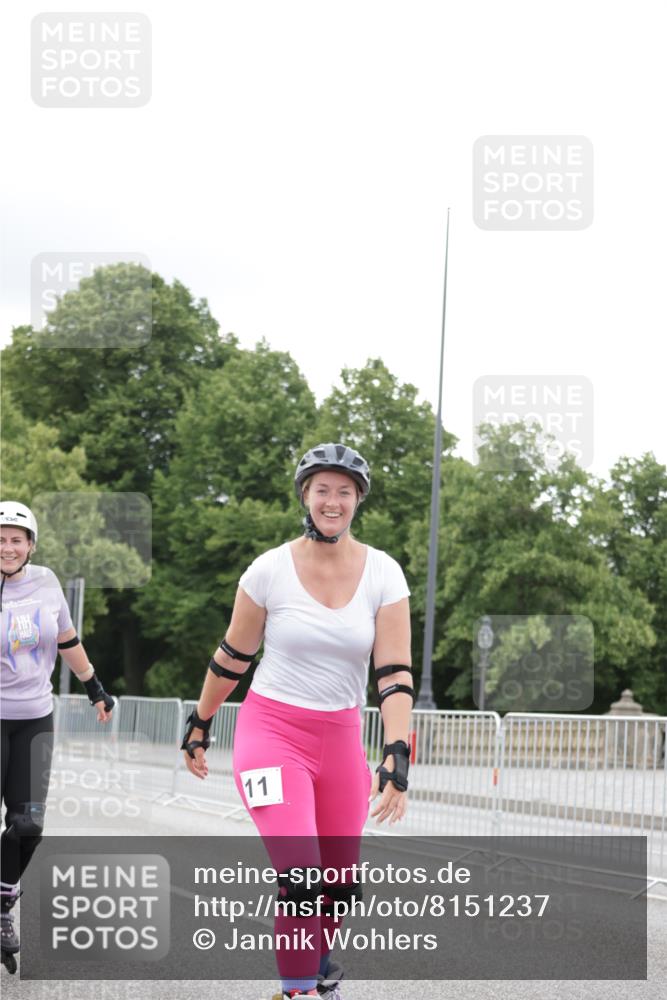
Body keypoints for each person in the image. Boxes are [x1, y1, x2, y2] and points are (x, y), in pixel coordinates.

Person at [182, 444, 414, 1000]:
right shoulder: (269, 570)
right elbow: (231, 658)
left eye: (344, 491)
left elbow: (395, 672)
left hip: (338, 740)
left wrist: (397, 751)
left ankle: (314, 972)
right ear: (305, 497)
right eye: (321, 490)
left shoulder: (384, 573)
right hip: (271, 733)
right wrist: (200, 721)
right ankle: (297, 991)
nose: (332, 502)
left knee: (338, 887)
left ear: (358, 500)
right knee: (304, 880)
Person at [0, 501, 114, 974]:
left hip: (35, 717)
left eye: (16, 539)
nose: (7, 547)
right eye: (1, 539)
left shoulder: (46, 584)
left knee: (29, 825)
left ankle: (2, 902)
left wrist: (94, 686)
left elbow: (66, 639)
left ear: (30, 546)